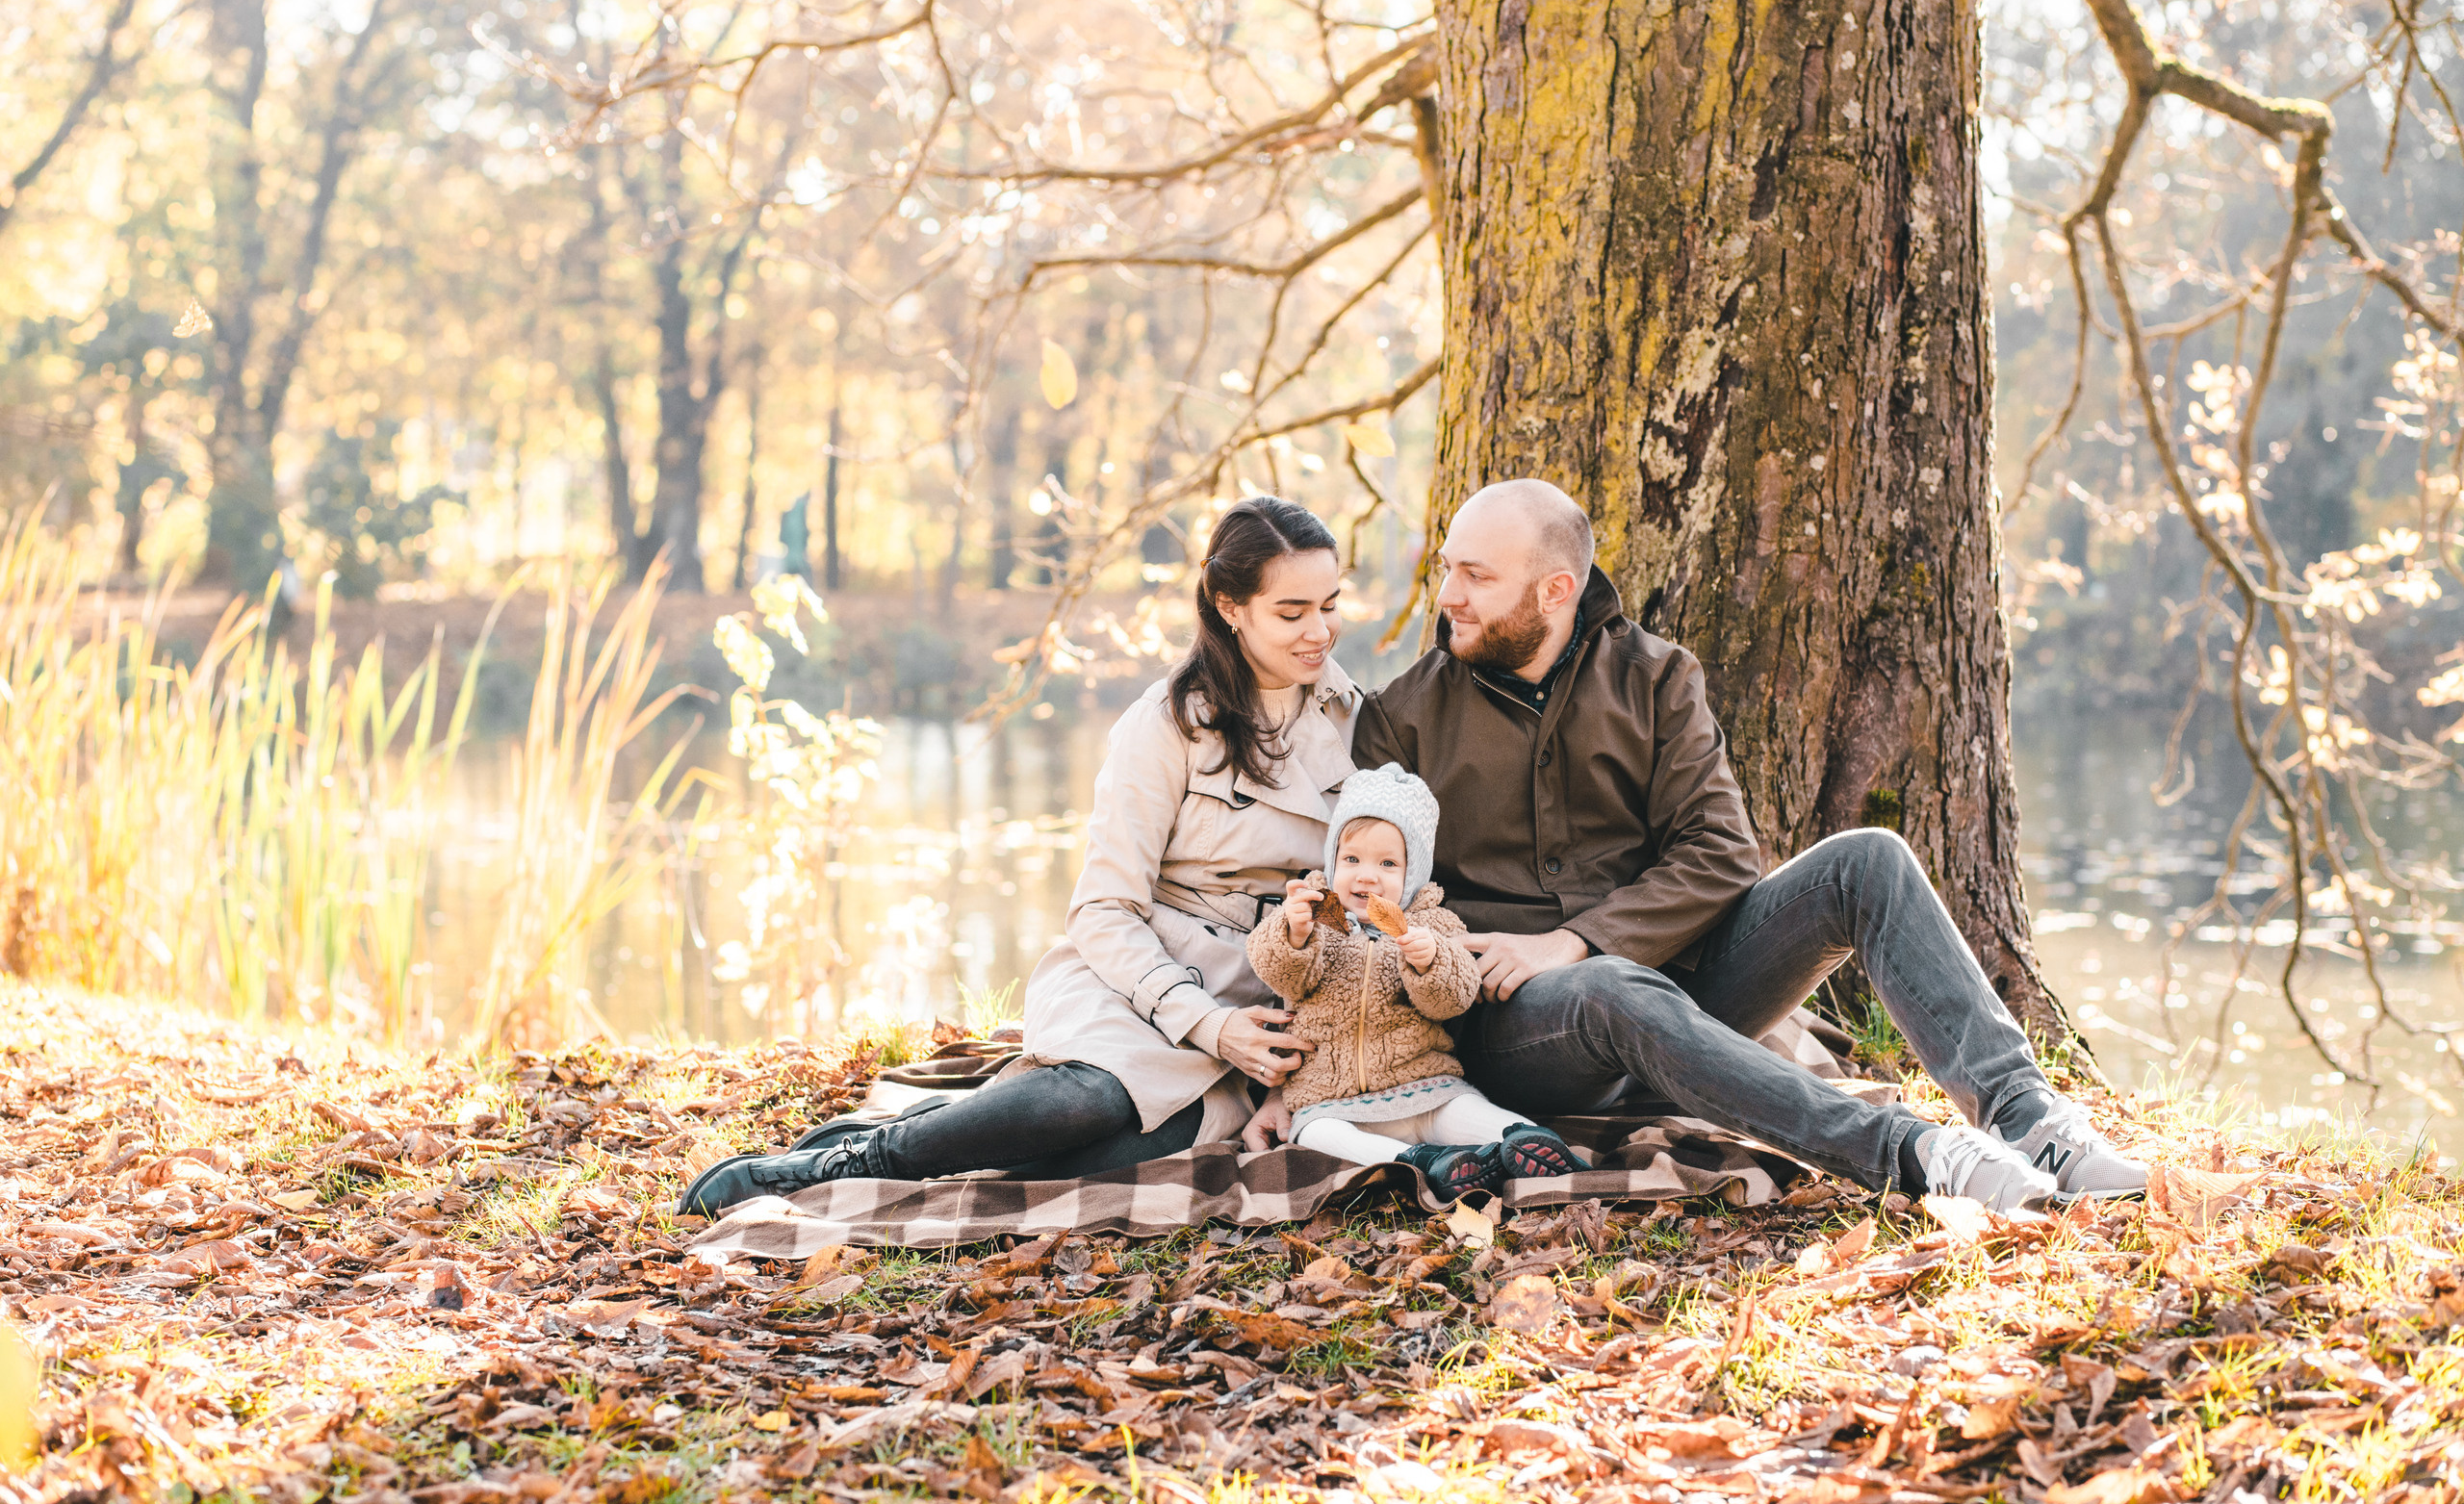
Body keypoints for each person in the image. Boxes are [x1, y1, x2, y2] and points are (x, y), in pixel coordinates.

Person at [1288, 478, 2147, 1216]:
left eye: (1476, 576)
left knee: (1868, 861)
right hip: (1520, 1030)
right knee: (1609, 988)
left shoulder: (1656, 678)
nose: (1449, 594)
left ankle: (2031, 1122)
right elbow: (1372, 900)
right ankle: (1917, 1156)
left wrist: (1576, 938)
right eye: (1449, 569)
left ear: (1554, 590)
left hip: (1686, 992)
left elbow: (1723, 854)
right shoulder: (1403, 717)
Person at [678, 496, 1354, 1215]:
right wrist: (1205, 1022)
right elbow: (1103, 909)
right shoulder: (1164, 726)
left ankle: (916, 1140)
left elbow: (1361, 911)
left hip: (1265, 1000)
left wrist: (1284, 1070)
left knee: (1126, 1156)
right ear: (1230, 607)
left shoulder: (1358, 720)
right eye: (1292, 612)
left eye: (1332, 604)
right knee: (1088, 1105)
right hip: (1145, 976)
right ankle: (853, 1158)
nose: (1320, 631)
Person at [1247, 762, 1589, 1202]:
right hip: (1330, 1096)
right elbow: (1279, 974)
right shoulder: (1314, 915)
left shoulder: (1431, 923)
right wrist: (1292, 934)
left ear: (1413, 873)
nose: (1366, 875)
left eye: (1387, 863)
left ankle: (1522, 1139)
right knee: (1315, 1133)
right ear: (1332, 860)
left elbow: (1454, 998)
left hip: (1423, 1085)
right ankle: (1424, 1162)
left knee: (1465, 1110)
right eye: (1351, 859)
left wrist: (1429, 962)